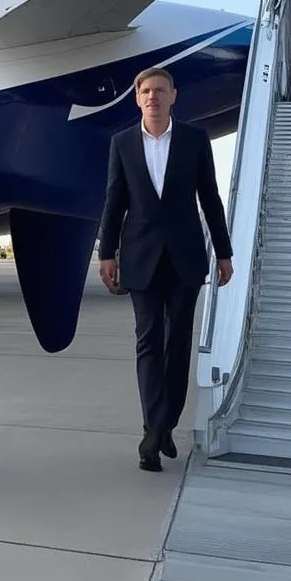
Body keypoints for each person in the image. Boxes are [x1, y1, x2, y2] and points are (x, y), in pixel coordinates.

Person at [97, 66, 233, 473]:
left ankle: (164, 423)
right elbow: (114, 201)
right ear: (137, 98)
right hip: (139, 256)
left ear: (174, 95)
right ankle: (153, 432)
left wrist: (223, 253)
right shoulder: (121, 143)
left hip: (186, 256)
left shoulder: (194, 139)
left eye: (159, 90)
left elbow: (210, 197)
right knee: (148, 342)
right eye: (145, 91)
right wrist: (107, 252)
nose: (152, 96)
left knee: (178, 346)